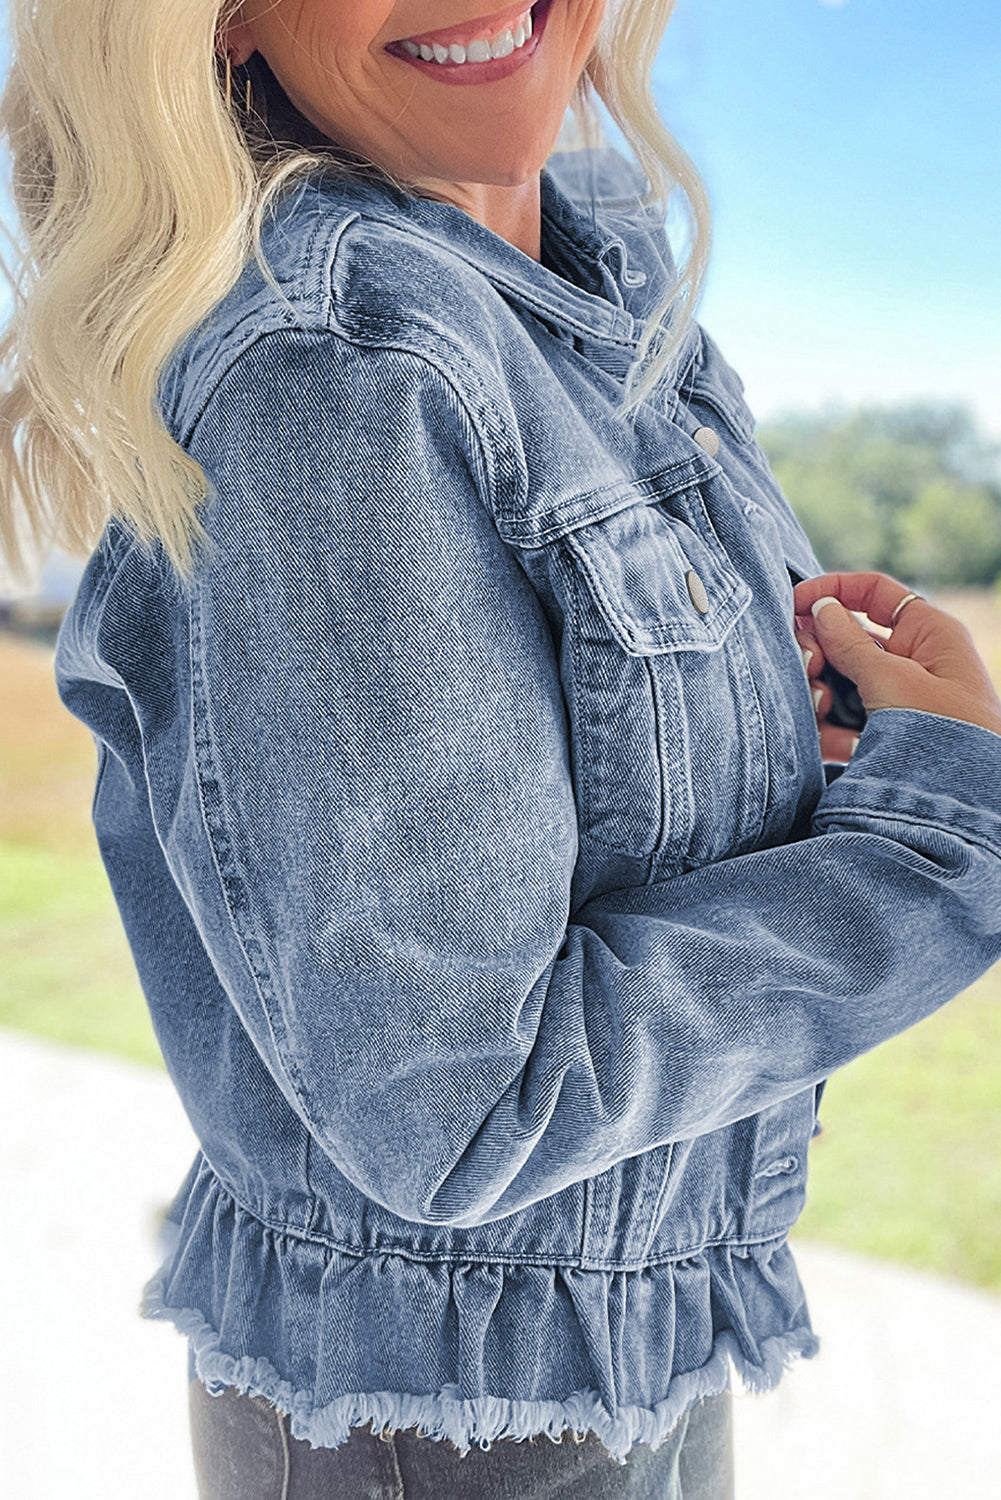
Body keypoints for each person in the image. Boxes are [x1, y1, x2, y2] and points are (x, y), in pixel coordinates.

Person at [2, 1, 1001, 1496]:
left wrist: (811, 750)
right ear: (216, 21)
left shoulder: (586, 288)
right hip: (455, 1415)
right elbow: (459, 1107)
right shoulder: (335, 369)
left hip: (607, 1352)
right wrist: (942, 844)